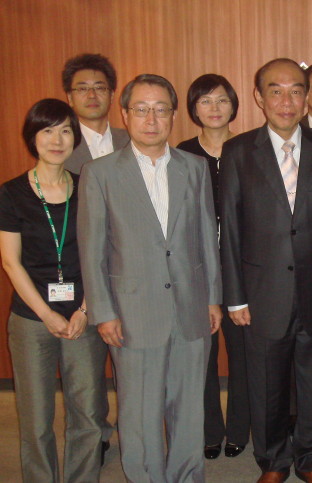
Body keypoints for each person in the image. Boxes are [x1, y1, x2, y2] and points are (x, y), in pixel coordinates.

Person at [77, 74, 223, 483]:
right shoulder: (100, 172)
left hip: (192, 306)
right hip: (131, 310)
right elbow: (93, 250)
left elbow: (205, 239)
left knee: (189, 406)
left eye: (161, 109)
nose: (151, 118)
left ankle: (187, 475)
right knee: (139, 411)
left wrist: (213, 297)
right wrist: (103, 311)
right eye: (141, 109)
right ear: (125, 114)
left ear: (174, 115)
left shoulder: (194, 168)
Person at [219, 58, 312, 483]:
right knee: (267, 386)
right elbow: (230, 229)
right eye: (275, 90)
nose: (287, 100)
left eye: (296, 90)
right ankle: (274, 462)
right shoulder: (239, 150)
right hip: (261, 293)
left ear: (307, 96)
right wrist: (235, 296)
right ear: (259, 97)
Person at [0, 98, 110, 482]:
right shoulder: (11, 193)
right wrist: (47, 314)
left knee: (88, 413)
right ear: (33, 137)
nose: (57, 139)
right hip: (32, 320)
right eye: (47, 130)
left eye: (65, 130)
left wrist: (83, 309)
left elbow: (102, 255)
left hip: (84, 315)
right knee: (35, 417)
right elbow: (11, 263)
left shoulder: (88, 188)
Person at [177, 73, 250, 460]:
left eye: (221, 100)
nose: (214, 108)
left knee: (242, 353)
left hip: (243, 270)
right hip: (197, 270)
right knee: (202, 354)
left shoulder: (250, 148)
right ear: (193, 108)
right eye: (205, 101)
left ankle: (239, 427)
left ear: (234, 104)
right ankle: (209, 429)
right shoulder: (182, 153)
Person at [62, 53, 129, 174]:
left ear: (112, 96)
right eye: (82, 89)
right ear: (70, 98)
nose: (92, 95)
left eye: (99, 88)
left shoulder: (132, 141)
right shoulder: (59, 146)